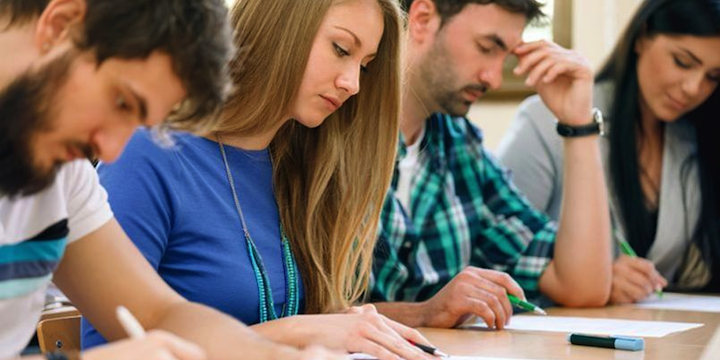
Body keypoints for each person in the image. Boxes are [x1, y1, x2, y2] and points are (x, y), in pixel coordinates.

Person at [80, 0, 436, 359]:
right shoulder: (150, 153)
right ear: (280, 26)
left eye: (365, 66)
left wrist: (345, 324)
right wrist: (296, 332)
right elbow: (112, 347)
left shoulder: (304, 166)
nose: (353, 83)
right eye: (340, 49)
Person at [0, 1, 345, 359]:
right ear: (61, 25)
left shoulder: (61, 168)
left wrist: (282, 357)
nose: (112, 150)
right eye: (121, 102)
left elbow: (158, 312)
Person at [368, 0, 613, 330]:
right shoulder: (333, 134)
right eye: (487, 47)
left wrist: (578, 124)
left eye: (506, 56)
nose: (494, 78)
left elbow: (582, 286)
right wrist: (423, 314)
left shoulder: (460, 146)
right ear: (423, 19)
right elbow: (300, 309)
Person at [498, 0, 720, 304]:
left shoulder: (694, 138)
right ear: (642, 37)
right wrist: (589, 276)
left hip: (648, 337)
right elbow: (492, 255)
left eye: (713, 77)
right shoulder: (546, 119)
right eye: (683, 62)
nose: (693, 88)